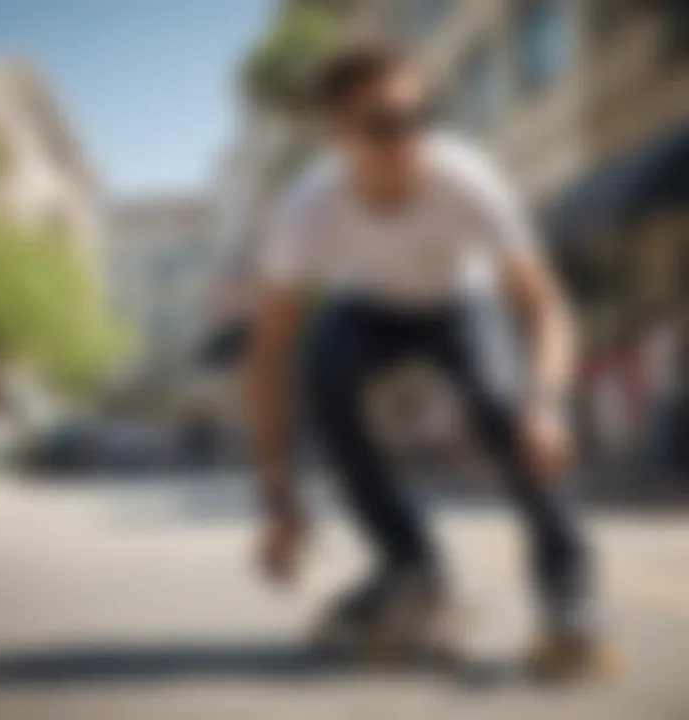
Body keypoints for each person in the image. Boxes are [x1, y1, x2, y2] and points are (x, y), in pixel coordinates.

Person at [247, 45, 601, 677]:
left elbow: (549, 307)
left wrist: (546, 404)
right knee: (323, 370)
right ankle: (410, 563)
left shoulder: (470, 180)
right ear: (339, 134)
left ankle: (567, 592)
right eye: (384, 124)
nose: (409, 139)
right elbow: (268, 352)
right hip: (369, 309)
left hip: (460, 305)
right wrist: (279, 499)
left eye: (423, 118)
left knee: (505, 406)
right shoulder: (305, 208)